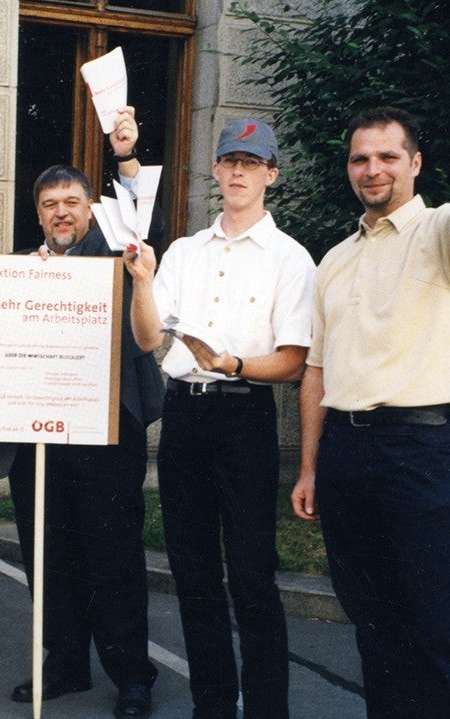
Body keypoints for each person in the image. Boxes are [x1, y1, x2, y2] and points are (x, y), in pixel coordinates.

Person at [290, 106, 450, 718]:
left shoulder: (441, 233)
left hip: (417, 446)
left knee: (431, 626)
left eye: (386, 157)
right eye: (360, 158)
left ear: (414, 164)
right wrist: (309, 467)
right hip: (346, 454)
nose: (372, 169)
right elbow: (317, 372)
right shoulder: (333, 261)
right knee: (372, 622)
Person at [125, 119, 315, 719]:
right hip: (185, 420)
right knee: (193, 572)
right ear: (215, 170)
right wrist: (143, 282)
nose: (238, 171)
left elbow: (292, 362)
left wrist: (232, 364)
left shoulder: (291, 258)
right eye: (230, 160)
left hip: (244, 419)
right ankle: (212, 702)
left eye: (251, 162)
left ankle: (266, 709)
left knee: (253, 577)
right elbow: (149, 335)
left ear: (270, 175)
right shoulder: (183, 251)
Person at [0, 106, 162, 719]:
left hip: (106, 430)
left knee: (113, 557)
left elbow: (142, 212)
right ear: (38, 214)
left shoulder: (118, 249)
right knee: (48, 557)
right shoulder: (21, 270)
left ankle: (133, 676)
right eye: (49, 204)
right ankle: (64, 665)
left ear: (91, 208)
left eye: (71, 201)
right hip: (35, 436)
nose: (61, 212)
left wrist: (125, 154)